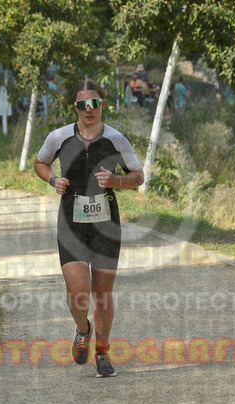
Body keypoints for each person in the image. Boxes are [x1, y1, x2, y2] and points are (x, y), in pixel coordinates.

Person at [34, 80, 144, 378]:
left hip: (106, 223)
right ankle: (83, 330)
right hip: (71, 221)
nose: (88, 109)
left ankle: (102, 353)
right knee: (78, 293)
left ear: (102, 105)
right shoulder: (58, 137)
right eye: (82, 105)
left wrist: (117, 181)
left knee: (103, 294)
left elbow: (138, 175)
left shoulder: (116, 139)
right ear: (75, 108)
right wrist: (53, 179)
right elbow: (40, 162)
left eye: (94, 103)